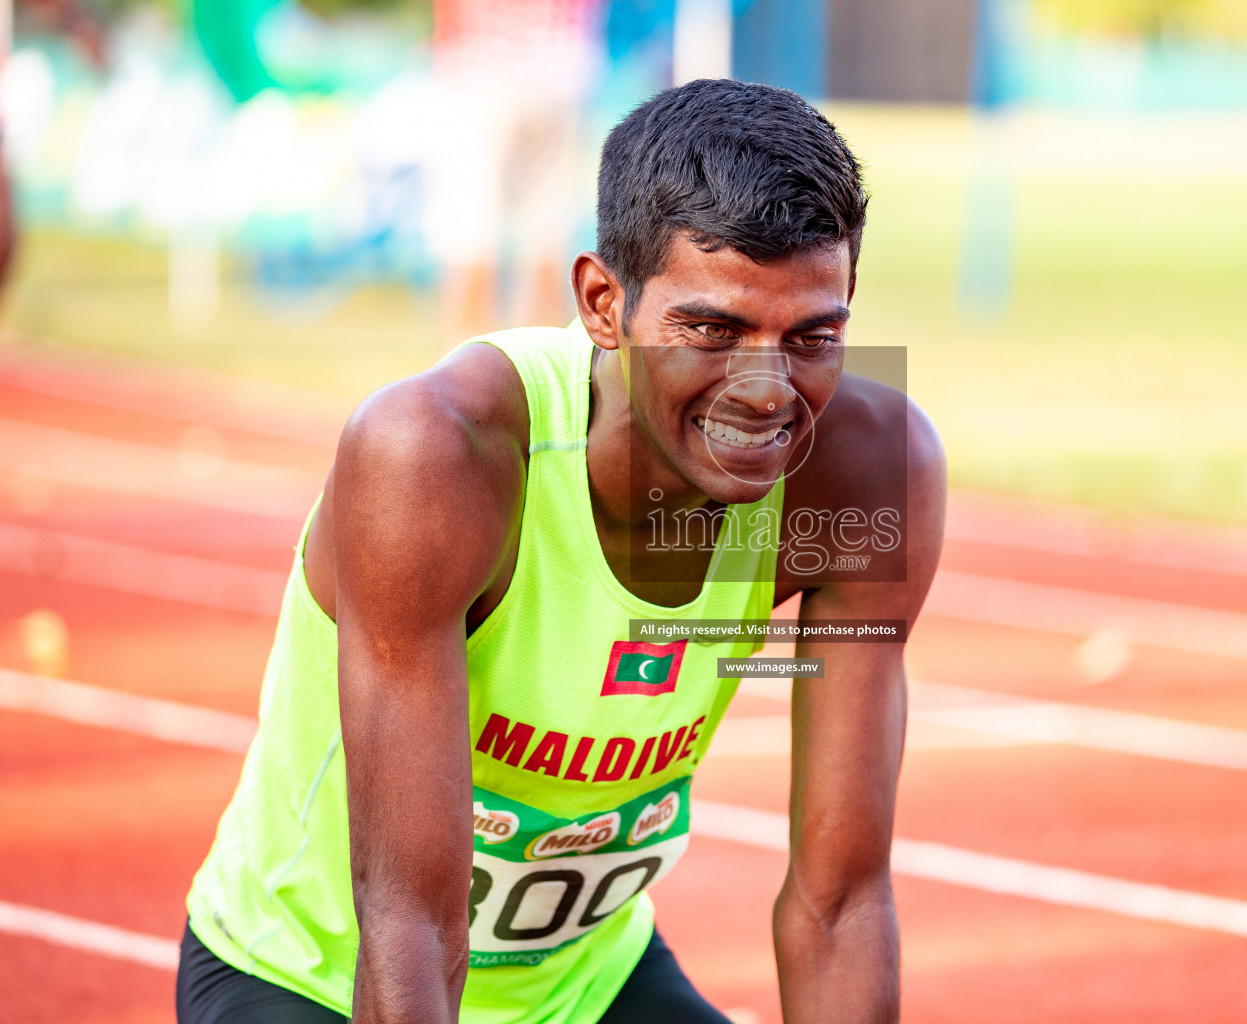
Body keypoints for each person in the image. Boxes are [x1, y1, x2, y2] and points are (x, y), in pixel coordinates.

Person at [178, 78, 946, 1024]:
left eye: (812, 337)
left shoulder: (867, 472)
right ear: (600, 301)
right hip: (312, 979)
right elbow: (410, 923)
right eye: (712, 329)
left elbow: (842, 902)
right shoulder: (436, 457)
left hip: (588, 983)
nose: (765, 390)